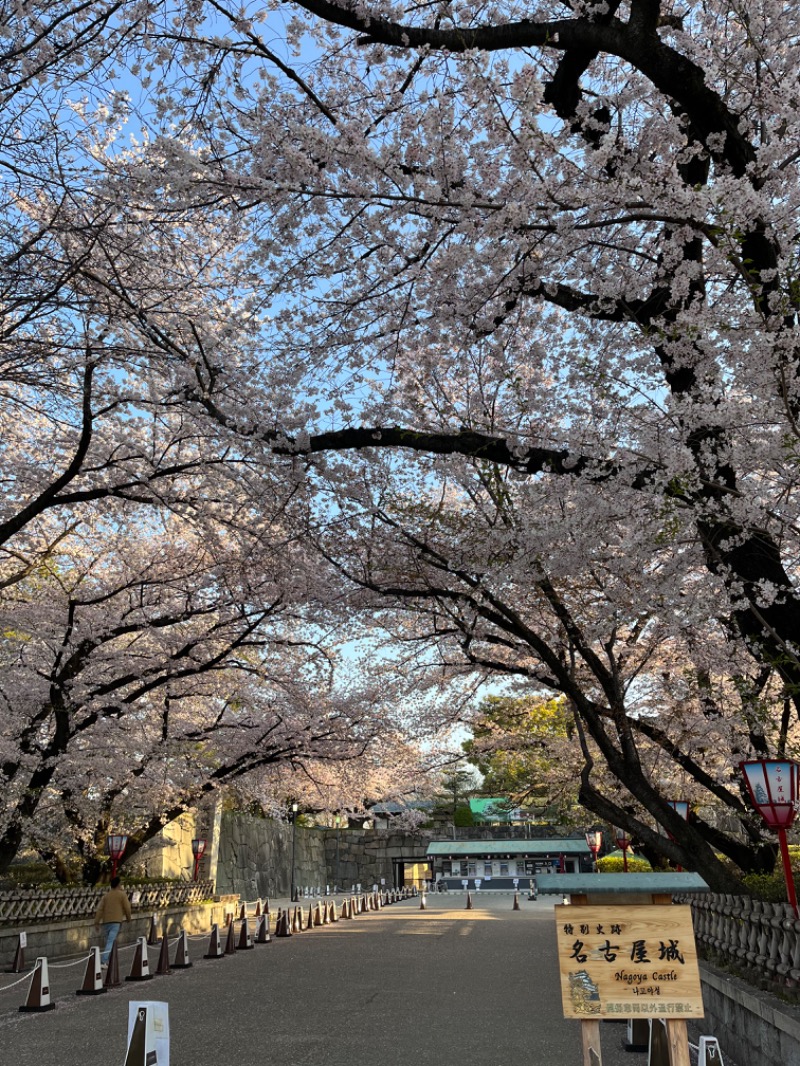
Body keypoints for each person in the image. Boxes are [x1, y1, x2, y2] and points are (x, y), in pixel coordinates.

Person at [94, 875, 132, 965]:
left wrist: (96, 922)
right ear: (119, 885)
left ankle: (110, 960)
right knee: (111, 941)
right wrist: (128, 918)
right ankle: (104, 961)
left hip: (106, 921)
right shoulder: (122, 895)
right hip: (116, 921)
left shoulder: (106, 896)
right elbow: (127, 908)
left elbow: (100, 909)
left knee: (109, 941)